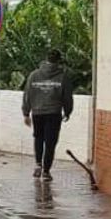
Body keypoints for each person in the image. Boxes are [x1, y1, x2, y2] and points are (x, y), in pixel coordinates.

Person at [22, 49, 75, 181]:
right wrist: (67, 111)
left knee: (38, 138)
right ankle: (46, 171)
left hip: (37, 113)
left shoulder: (34, 75)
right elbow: (67, 97)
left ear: (46, 59)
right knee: (50, 142)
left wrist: (26, 113)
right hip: (53, 114)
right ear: (59, 61)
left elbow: (27, 94)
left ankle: (38, 164)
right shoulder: (63, 76)